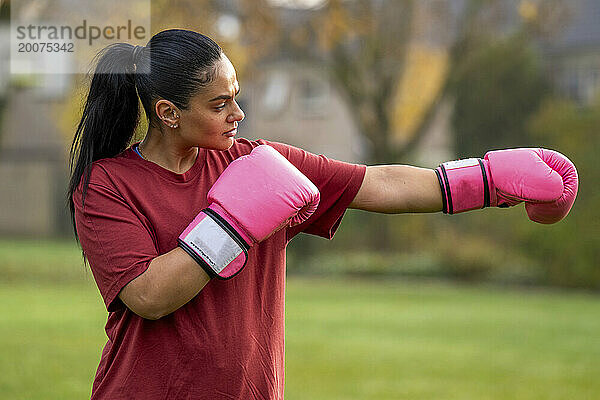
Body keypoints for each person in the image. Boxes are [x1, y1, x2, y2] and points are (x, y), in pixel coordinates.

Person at [67, 29, 578, 400]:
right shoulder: (105, 185)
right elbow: (148, 296)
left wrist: (486, 179)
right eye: (219, 104)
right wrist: (233, 222)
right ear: (169, 113)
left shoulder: (256, 161)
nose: (237, 115)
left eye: (237, 98)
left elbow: (376, 183)